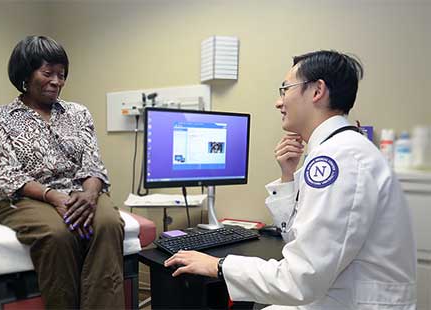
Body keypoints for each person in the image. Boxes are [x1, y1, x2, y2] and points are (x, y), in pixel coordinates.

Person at [165, 50, 417, 309]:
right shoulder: (339, 150)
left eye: (285, 89)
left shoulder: (340, 158)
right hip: (333, 294)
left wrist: (218, 265)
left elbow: (300, 280)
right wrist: (288, 177)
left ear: (317, 91)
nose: (278, 102)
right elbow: (301, 241)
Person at [0, 35, 124, 309]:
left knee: (108, 223)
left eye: (62, 75)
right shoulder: (0, 116)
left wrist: (90, 195)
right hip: (25, 197)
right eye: (48, 73)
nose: (57, 81)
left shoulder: (78, 113)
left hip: (80, 190)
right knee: (58, 234)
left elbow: (92, 161)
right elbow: (4, 171)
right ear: (25, 73)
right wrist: (52, 196)